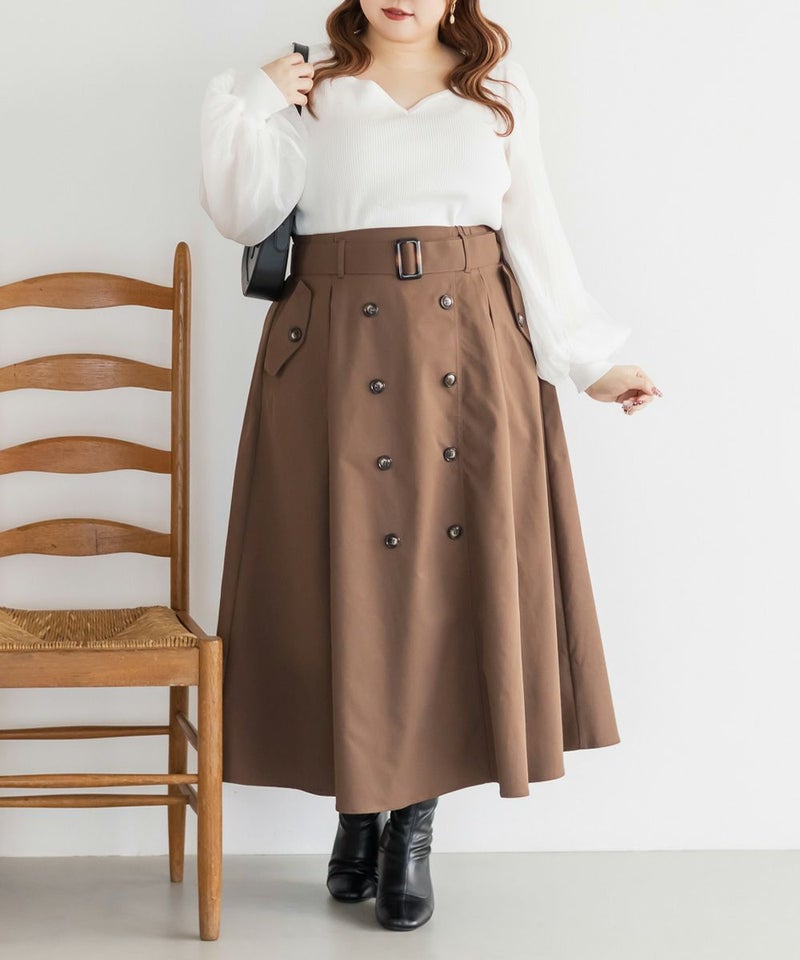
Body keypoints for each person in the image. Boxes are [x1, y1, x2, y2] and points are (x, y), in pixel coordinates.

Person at [199, 0, 661, 933]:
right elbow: (241, 213)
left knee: (443, 588)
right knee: (341, 582)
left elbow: (533, 229)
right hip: (333, 358)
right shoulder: (311, 85)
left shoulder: (495, 87)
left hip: (470, 353)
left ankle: (409, 829)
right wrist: (251, 98)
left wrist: (588, 360)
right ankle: (358, 811)